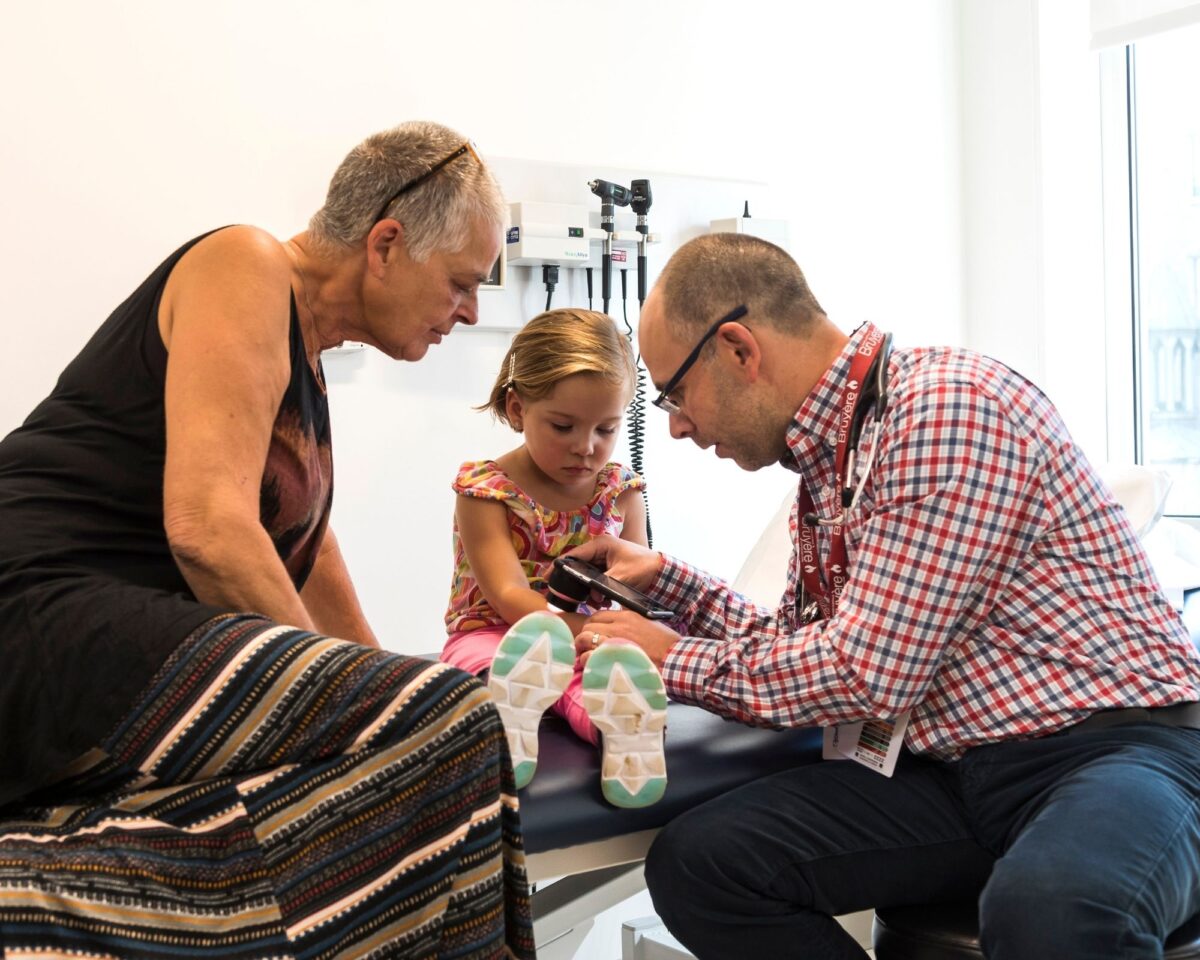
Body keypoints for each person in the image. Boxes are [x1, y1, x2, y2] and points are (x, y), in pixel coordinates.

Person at [569, 232, 1200, 960]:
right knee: (702, 864)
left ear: (739, 350)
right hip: (960, 775)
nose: (677, 426)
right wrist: (669, 581)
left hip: (1118, 751)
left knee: (1055, 914)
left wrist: (671, 659)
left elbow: (863, 672)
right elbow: (801, 643)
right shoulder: (834, 460)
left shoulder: (946, 411)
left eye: (674, 395)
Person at [0, 121, 535, 959]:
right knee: (450, 721)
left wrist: (386, 688)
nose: (470, 312)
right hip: (34, 612)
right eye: (462, 283)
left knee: (428, 739)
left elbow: (307, 550)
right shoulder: (244, 263)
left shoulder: (306, 360)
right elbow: (209, 530)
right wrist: (379, 706)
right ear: (385, 245)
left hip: (96, 642)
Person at [441, 308, 669, 808]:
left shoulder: (622, 491)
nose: (585, 447)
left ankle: (623, 734)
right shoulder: (486, 492)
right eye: (563, 426)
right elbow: (506, 595)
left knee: (599, 678)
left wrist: (619, 636)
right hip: (495, 632)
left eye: (606, 429)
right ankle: (507, 719)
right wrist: (577, 627)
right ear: (517, 408)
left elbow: (635, 588)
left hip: (588, 637)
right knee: (481, 667)